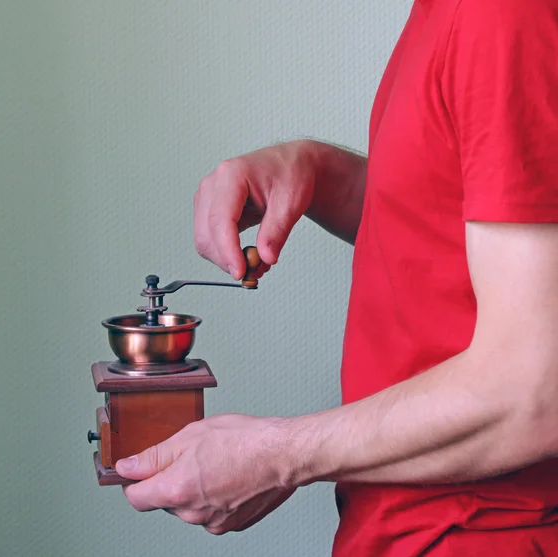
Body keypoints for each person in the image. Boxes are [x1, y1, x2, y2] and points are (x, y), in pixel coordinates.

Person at [114, 0, 558, 554]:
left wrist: (279, 455)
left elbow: (535, 392)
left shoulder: (504, 15)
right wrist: (319, 172)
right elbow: (451, 227)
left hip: (481, 535)